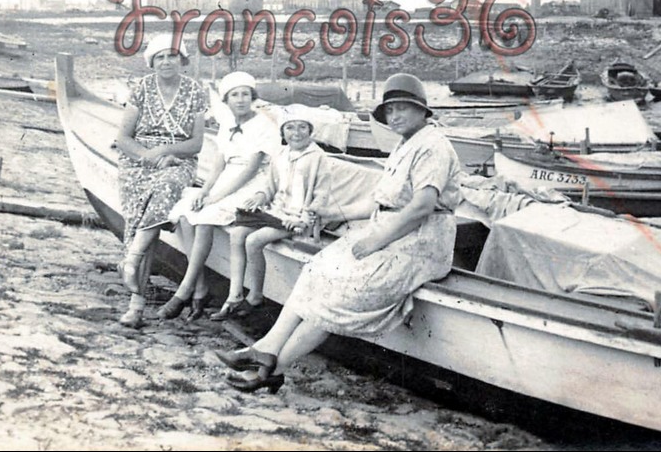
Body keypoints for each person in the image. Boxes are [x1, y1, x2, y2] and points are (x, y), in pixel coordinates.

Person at [212, 73, 463, 394]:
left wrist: (375, 240)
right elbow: (384, 201)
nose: (395, 115)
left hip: (421, 244)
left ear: (422, 111)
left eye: (403, 108)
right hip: (390, 231)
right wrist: (333, 213)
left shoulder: (433, 147)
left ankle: (274, 367)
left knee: (339, 291)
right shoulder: (405, 144)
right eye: (390, 110)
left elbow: (421, 207)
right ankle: (266, 349)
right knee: (318, 270)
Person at [154, 71, 281, 320]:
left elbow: (251, 169)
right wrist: (205, 190)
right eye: (235, 95)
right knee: (186, 214)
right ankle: (200, 289)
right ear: (226, 100)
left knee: (204, 218)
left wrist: (216, 197)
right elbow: (218, 164)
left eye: (246, 94)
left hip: (251, 183)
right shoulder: (227, 125)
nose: (241, 99)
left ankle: (184, 291)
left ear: (253, 97)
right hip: (226, 180)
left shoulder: (264, 125)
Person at [114, 34, 209, 328]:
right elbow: (123, 139)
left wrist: (166, 151)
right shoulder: (141, 88)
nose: (166, 62)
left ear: (182, 60)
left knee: (166, 187)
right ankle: (136, 299)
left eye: (172, 56)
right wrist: (150, 157)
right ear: (152, 62)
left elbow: (196, 144)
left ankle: (132, 265)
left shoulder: (196, 90)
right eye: (160, 57)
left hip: (178, 162)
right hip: (138, 162)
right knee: (145, 220)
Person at [211, 104, 328, 321]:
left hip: (298, 217)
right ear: (283, 132)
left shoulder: (317, 157)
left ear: (311, 131)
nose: (296, 133)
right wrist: (260, 196)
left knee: (254, 240)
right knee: (237, 233)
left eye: (302, 127)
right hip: (276, 212)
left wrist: (305, 217)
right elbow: (270, 185)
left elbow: (322, 194)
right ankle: (235, 294)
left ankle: (255, 295)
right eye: (290, 128)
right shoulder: (281, 154)